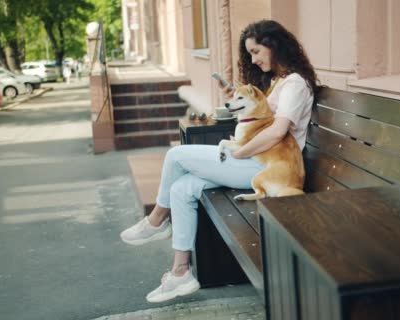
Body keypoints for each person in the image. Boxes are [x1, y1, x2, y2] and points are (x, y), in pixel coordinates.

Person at [120, 19, 318, 303]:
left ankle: (156, 221)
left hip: (266, 167)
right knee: (182, 188)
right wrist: (236, 101)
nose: (253, 59)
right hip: (254, 160)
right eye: (250, 53)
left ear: (275, 46)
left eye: (257, 51)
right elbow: (259, 119)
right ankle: (180, 273)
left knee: (176, 156)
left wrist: (240, 151)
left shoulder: (295, 84)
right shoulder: (278, 81)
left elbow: (277, 131)